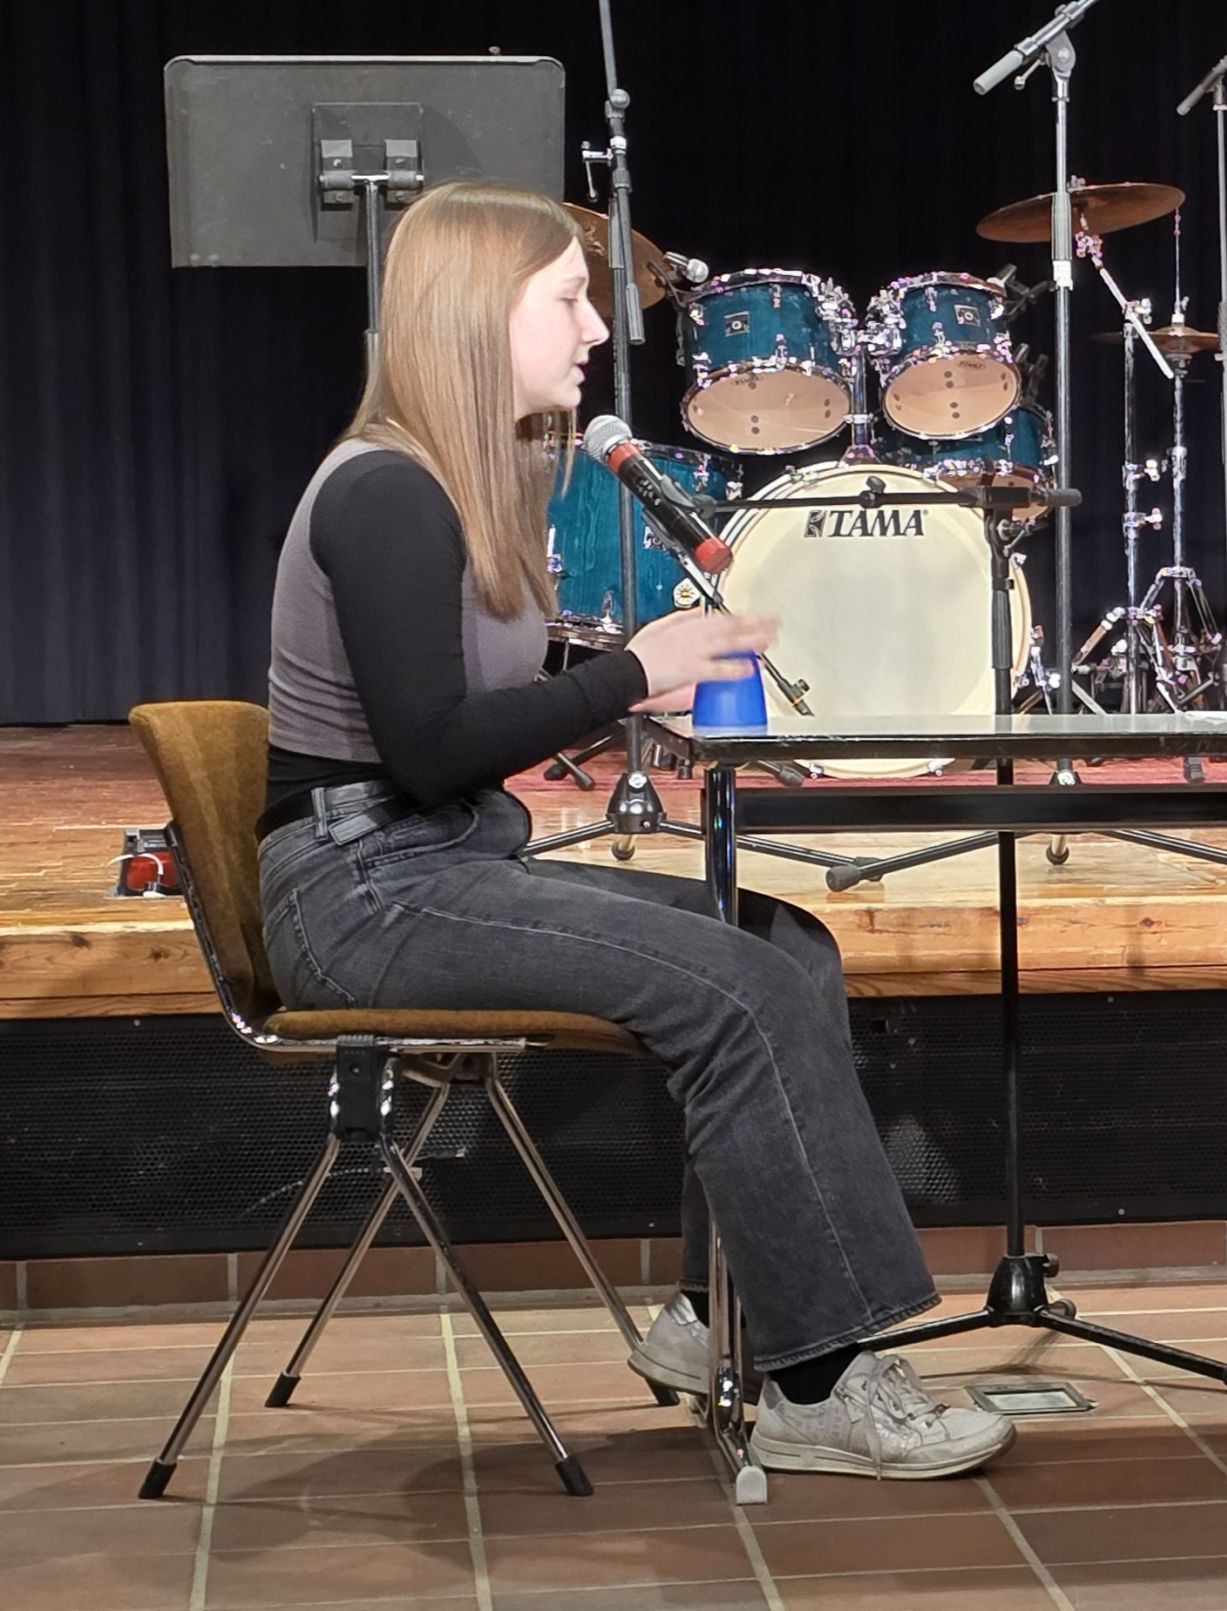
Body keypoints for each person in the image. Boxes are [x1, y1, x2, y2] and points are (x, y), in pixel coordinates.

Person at [256, 182, 1012, 1478]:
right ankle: (818, 1380)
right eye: (567, 299)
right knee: (739, 990)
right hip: (364, 892)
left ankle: (720, 1315)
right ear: (479, 314)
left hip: (426, 862)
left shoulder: (452, 486)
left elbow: (462, 692)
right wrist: (626, 673)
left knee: (787, 946)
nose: (598, 330)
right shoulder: (387, 492)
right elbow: (429, 746)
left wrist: (638, 677)